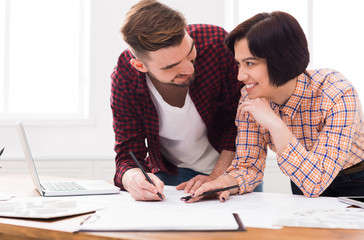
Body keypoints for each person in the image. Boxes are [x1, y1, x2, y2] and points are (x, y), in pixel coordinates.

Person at [186, 11, 364, 203]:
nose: (240, 76)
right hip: (302, 176)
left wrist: (275, 124)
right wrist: (222, 183)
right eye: (238, 64)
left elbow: (316, 181)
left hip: (356, 178)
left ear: (282, 59)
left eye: (250, 63)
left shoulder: (337, 92)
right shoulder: (250, 97)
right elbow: (249, 167)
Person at [111, 0, 248, 201]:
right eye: (171, 67)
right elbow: (128, 156)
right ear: (140, 66)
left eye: (190, 54)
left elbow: (240, 122)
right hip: (171, 171)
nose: (189, 69)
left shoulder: (217, 43)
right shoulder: (126, 77)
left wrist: (218, 177)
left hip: (233, 164)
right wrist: (132, 179)